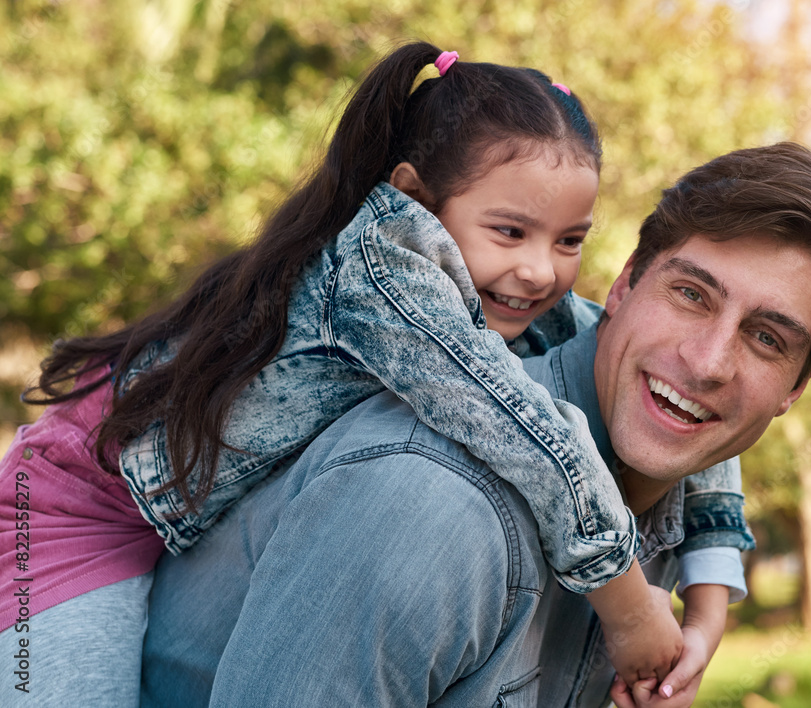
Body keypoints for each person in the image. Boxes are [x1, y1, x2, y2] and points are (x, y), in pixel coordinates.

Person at [0, 42, 748, 705]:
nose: (539, 270)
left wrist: (708, 607)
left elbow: (663, 374)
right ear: (416, 196)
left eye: (570, 240)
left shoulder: (509, 295)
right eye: (510, 231)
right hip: (72, 503)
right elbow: (520, 427)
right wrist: (629, 603)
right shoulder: (388, 275)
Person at [139, 142, 811, 707]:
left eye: (766, 339)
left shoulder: (659, 491)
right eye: (691, 294)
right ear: (623, 284)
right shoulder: (430, 504)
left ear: (795, 387)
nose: (709, 361)